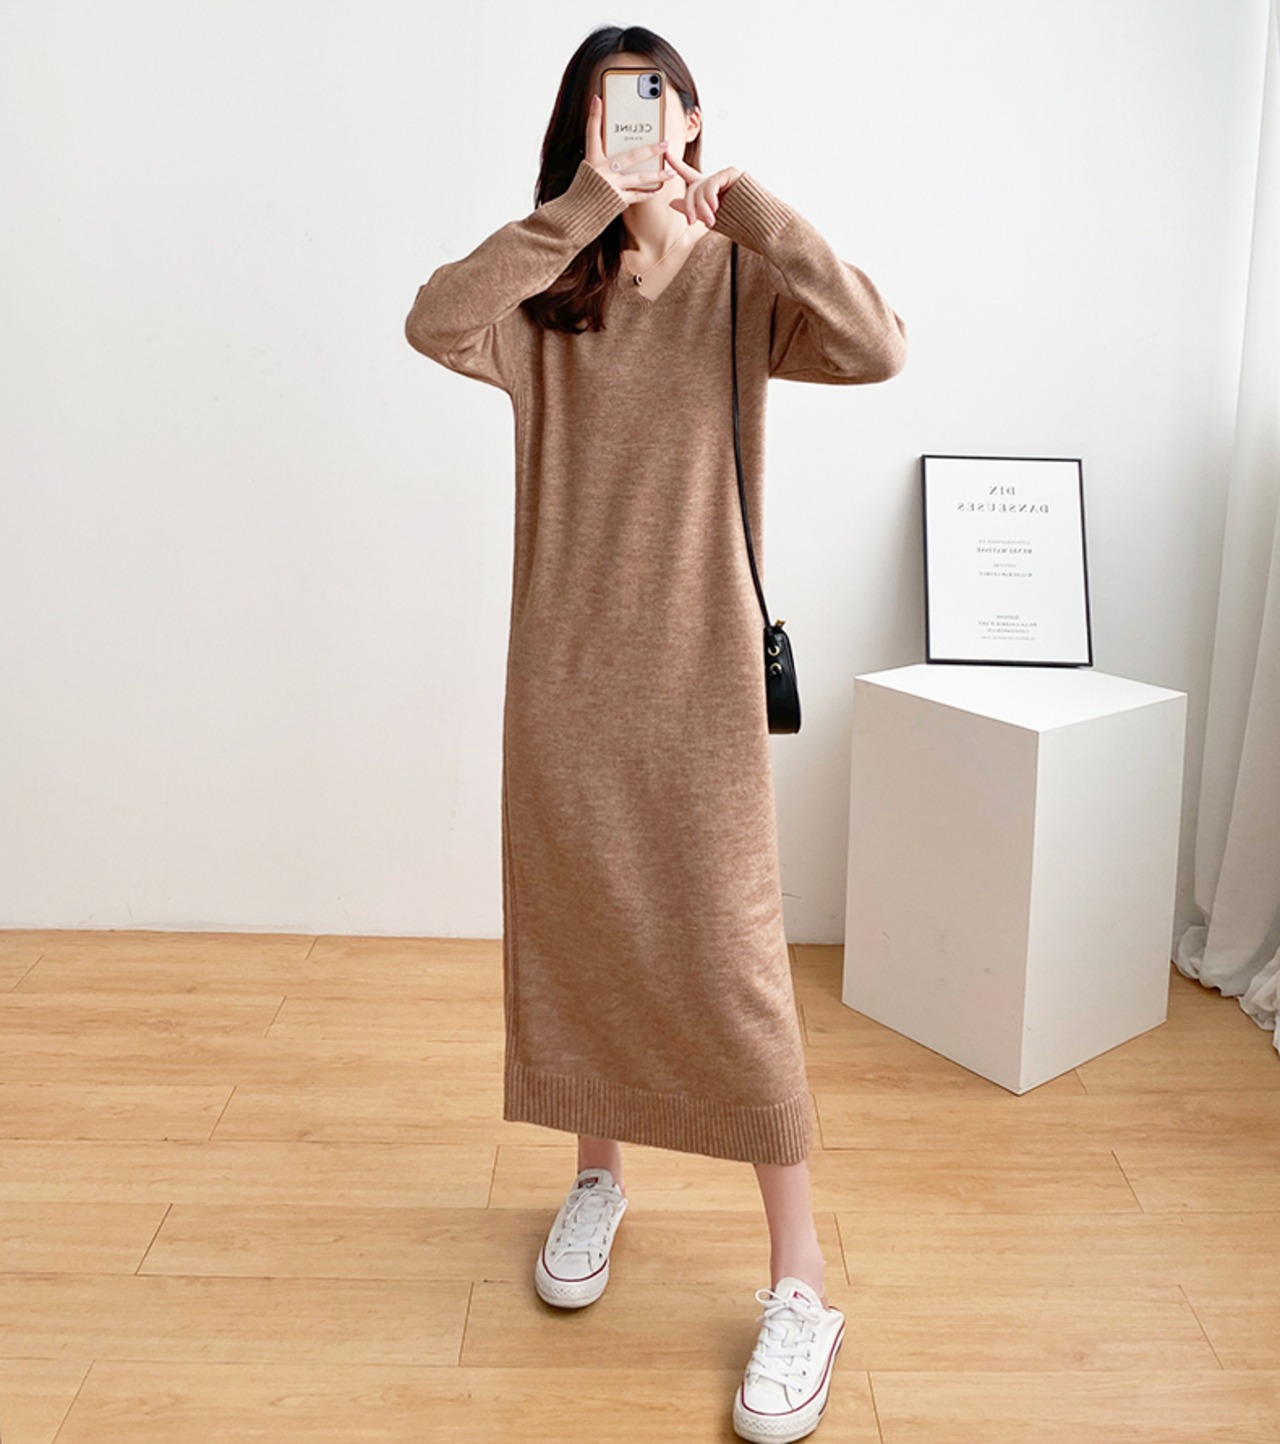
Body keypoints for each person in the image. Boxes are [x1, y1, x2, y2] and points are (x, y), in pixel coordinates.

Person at [405, 24, 906, 1442]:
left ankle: (800, 1278)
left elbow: (877, 346)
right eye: (607, 107)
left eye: (656, 99)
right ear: (581, 131)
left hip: (700, 688)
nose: (635, 122)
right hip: (566, 684)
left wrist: (756, 212)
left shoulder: (744, 282)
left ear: (690, 118)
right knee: (584, 932)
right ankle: (598, 1177)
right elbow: (432, 319)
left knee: (731, 966)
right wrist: (576, 213)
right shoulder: (544, 298)